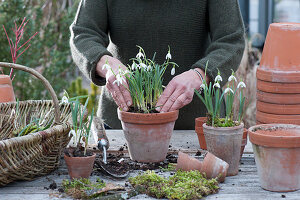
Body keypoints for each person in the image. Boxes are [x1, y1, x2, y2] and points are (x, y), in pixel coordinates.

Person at [70, 0, 245, 130]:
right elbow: (83, 33)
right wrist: (106, 64)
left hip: (199, 127)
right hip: (122, 125)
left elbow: (231, 40)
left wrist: (200, 75)